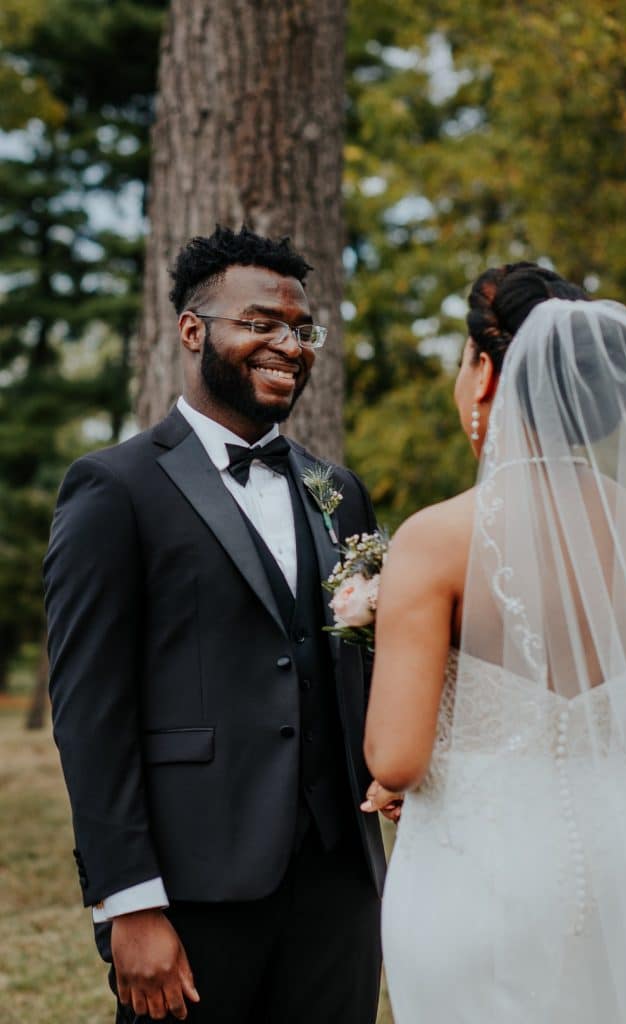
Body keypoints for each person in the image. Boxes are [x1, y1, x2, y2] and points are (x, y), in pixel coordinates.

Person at [44, 225, 390, 1024]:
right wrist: (129, 904)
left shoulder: (338, 491)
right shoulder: (114, 488)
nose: (288, 346)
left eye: (301, 329)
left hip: (338, 886)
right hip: (190, 888)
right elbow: (90, 715)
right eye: (259, 323)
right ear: (192, 330)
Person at [364, 262, 626, 1022]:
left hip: (483, 861)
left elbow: (397, 758)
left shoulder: (437, 538)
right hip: (614, 850)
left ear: (484, 374)